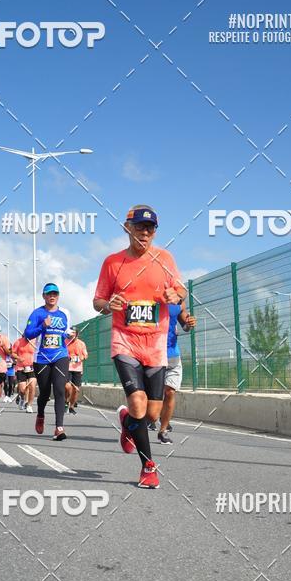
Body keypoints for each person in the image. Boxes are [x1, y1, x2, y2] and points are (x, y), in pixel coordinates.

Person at [93, 204, 186, 488]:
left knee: (152, 415)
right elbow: (97, 302)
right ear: (127, 228)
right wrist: (109, 305)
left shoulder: (165, 258)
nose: (145, 233)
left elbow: (182, 290)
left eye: (151, 228)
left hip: (156, 342)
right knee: (137, 402)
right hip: (125, 339)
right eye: (139, 227)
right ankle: (148, 466)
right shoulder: (112, 262)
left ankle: (127, 424)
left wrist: (176, 294)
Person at [24, 283, 72, 440]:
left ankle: (59, 428)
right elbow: (27, 334)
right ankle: (40, 414)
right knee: (44, 393)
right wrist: (42, 327)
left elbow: (65, 334)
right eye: (49, 294)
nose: (52, 296)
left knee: (59, 389)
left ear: (58, 296)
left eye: (55, 294)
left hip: (60, 355)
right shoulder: (37, 313)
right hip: (42, 358)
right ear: (44, 296)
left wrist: (71, 335)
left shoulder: (65, 313)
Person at [149, 301, 196, 443]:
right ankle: (143, 419)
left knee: (170, 391)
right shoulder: (151, 295)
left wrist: (189, 323)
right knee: (151, 407)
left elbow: (185, 326)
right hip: (152, 354)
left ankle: (162, 431)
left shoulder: (179, 302)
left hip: (172, 355)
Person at [11, 334, 37, 413]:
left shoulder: (35, 342)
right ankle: (22, 398)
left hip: (32, 367)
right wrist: (19, 358)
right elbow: (12, 353)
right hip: (21, 368)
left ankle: (29, 405)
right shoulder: (18, 342)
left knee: (32, 386)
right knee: (22, 389)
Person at [65, 327, 88, 414]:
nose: (72, 334)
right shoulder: (65, 342)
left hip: (77, 369)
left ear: (77, 334)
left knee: (76, 389)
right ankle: (66, 400)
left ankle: (71, 406)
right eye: (71, 332)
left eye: (73, 332)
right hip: (67, 368)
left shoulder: (81, 344)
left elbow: (85, 355)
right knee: (67, 387)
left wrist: (81, 358)